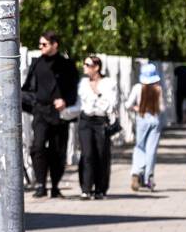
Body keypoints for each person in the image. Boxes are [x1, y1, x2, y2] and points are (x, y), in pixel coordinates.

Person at [21, 30, 79, 198]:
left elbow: (73, 89)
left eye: (44, 44)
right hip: (40, 111)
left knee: (58, 150)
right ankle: (40, 184)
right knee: (37, 147)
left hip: (59, 114)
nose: (41, 47)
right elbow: (28, 87)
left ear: (55, 45)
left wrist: (65, 101)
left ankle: (55, 185)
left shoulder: (67, 65)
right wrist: (33, 103)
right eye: (40, 44)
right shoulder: (37, 63)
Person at [75, 55, 118, 199]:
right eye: (84, 64)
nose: (84, 67)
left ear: (97, 67)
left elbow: (110, 104)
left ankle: (100, 189)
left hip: (101, 121)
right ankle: (86, 188)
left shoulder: (108, 83)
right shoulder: (82, 83)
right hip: (85, 121)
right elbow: (80, 103)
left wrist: (97, 95)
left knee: (101, 154)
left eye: (87, 65)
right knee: (87, 154)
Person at [126, 63, 165, 191]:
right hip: (155, 119)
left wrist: (136, 108)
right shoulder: (158, 89)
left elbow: (127, 105)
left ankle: (136, 173)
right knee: (151, 149)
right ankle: (149, 177)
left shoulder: (138, 88)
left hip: (142, 118)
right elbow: (162, 108)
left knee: (140, 146)